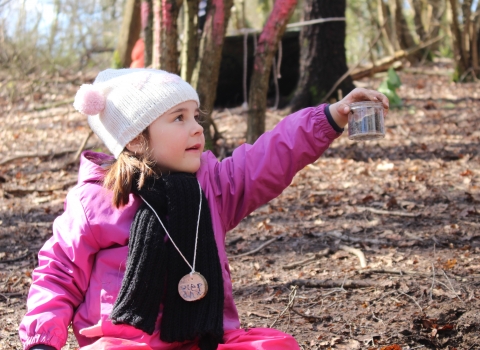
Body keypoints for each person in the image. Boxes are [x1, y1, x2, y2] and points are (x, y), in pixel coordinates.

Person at [19, 68, 389, 350]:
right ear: (134, 137)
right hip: (129, 343)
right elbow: (57, 273)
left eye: (196, 116)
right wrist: (41, 339)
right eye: (178, 118)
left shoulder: (212, 187)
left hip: (205, 338)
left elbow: (269, 157)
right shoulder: (98, 201)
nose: (197, 128)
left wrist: (331, 117)